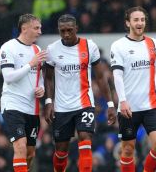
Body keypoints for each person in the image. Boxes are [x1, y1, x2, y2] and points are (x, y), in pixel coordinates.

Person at [44, 14, 116, 172]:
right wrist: (49, 101)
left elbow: (100, 77)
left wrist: (110, 103)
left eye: (70, 30)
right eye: (62, 31)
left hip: (84, 103)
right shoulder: (52, 49)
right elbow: (48, 78)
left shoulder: (90, 46)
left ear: (76, 28)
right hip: (62, 107)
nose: (66, 34)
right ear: (58, 30)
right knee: (61, 150)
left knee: (85, 139)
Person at [110, 6, 156, 172]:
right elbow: (117, 76)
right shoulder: (119, 45)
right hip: (129, 107)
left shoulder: (154, 43)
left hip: (152, 105)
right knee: (128, 149)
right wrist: (122, 101)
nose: (140, 23)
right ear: (127, 23)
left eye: (142, 20)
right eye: (136, 20)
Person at [0, 13, 46, 172]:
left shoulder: (37, 49)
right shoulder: (8, 47)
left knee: (30, 153)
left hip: (32, 107)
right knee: (20, 146)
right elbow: (9, 77)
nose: (40, 31)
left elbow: (39, 76)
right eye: (36, 28)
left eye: (40, 28)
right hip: (13, 104)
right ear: (24, 28)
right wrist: (30, 64)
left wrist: (42, 88)